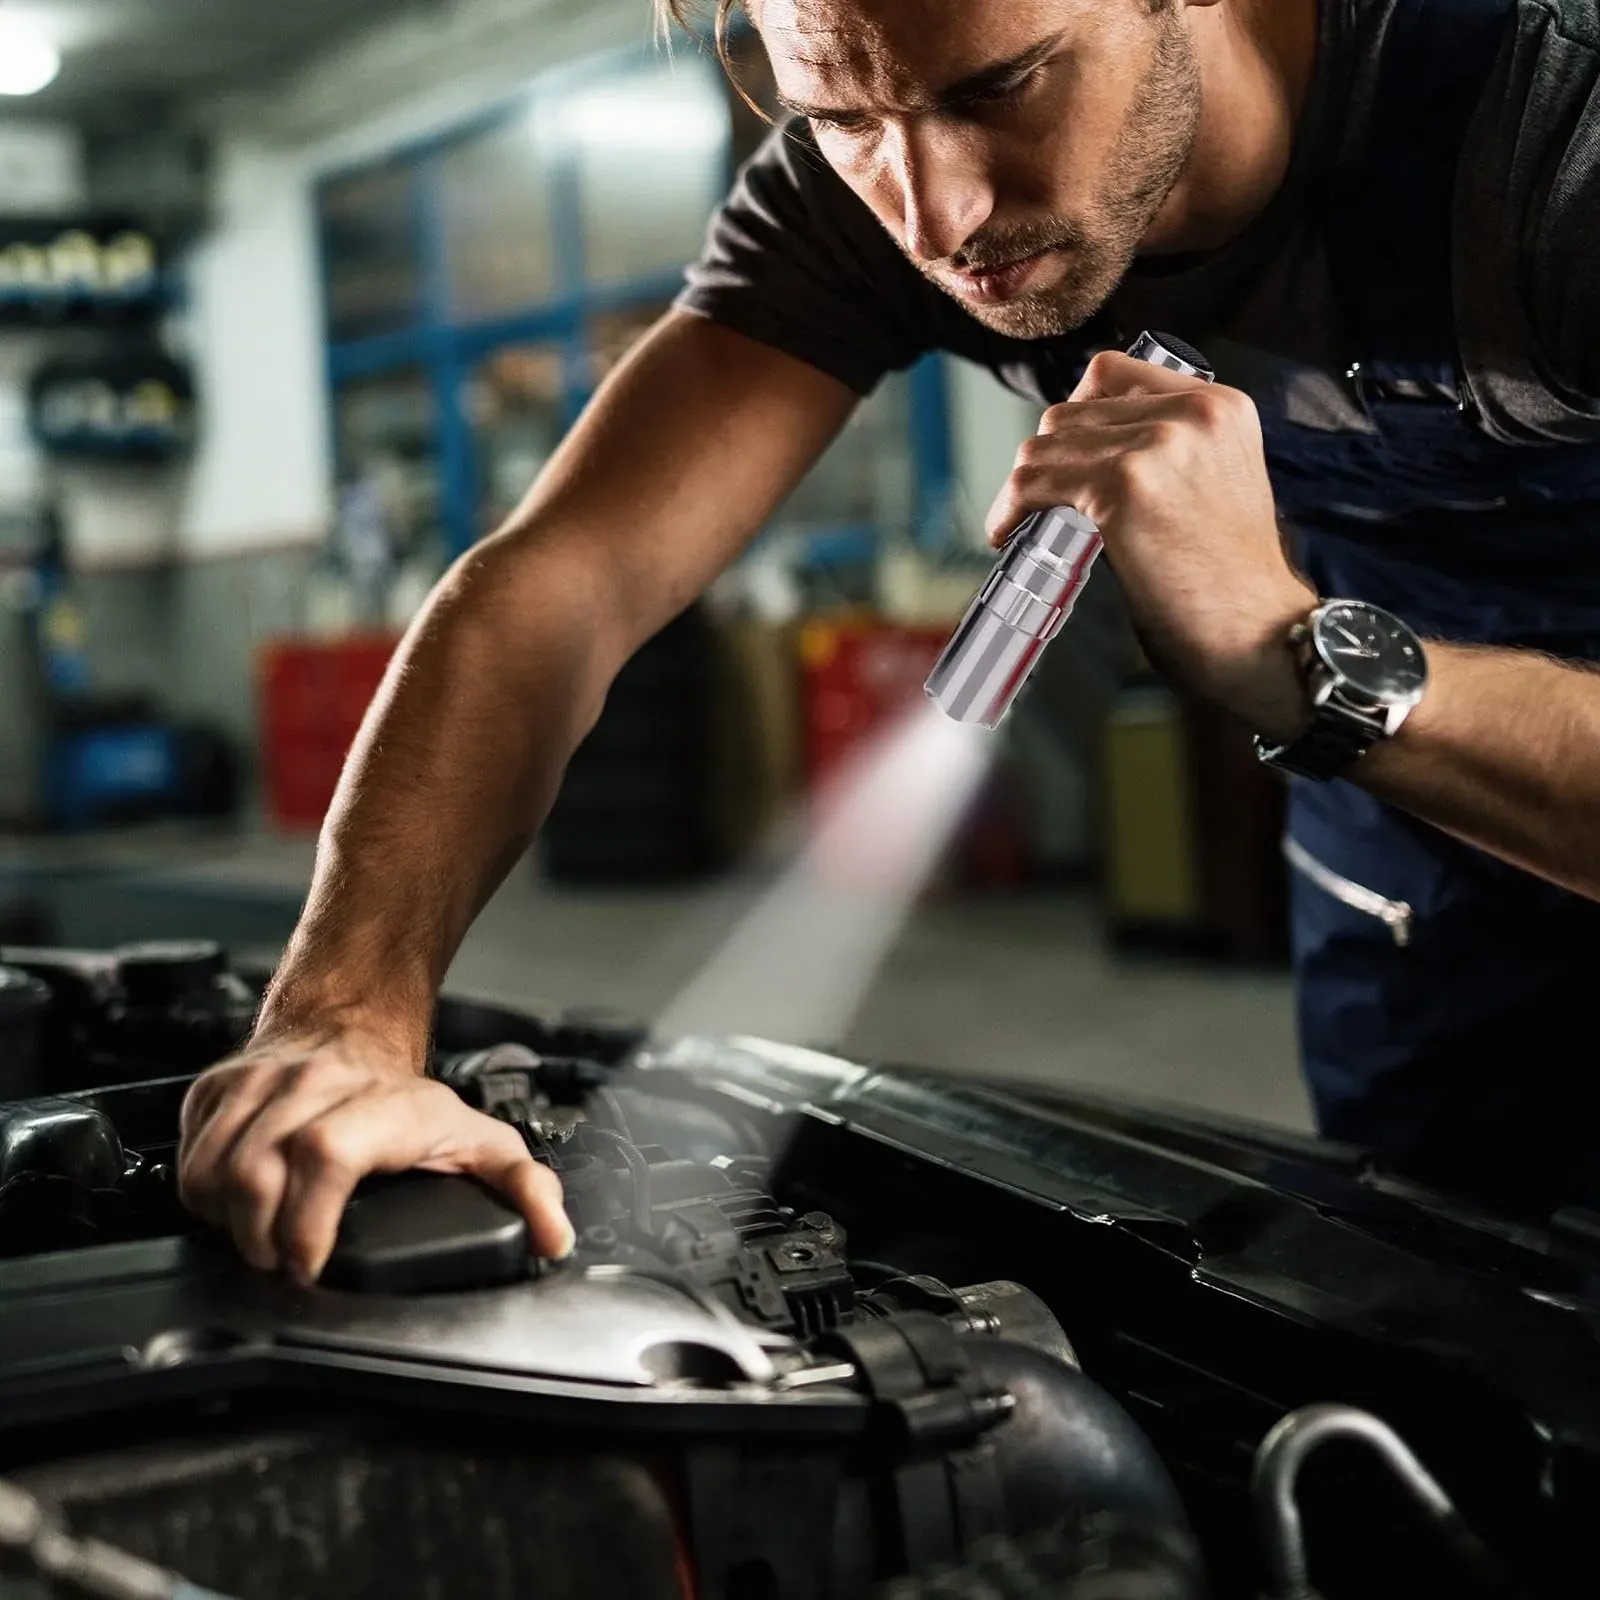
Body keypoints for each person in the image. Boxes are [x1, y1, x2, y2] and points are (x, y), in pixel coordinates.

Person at [179, 0, 1600, 1284]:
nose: (937, 212)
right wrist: (344, 1020)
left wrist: (1298, 654)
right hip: (1407, 872)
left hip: (1429, 725)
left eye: (1008, 86)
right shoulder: (876, 183)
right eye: (843, 118)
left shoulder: (1555, 135)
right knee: (1453, 1333)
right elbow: (564, 577)